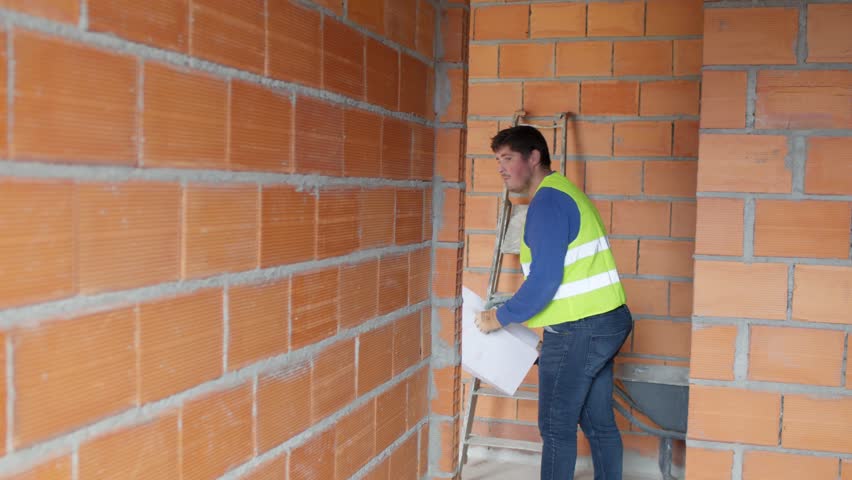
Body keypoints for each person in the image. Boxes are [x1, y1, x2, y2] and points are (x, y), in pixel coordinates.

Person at [474, 125, 633, 480]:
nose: (501, 168)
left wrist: (498, 317)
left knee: (555, 424)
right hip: (603, 321)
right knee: (597, 422)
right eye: (498, 161)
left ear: (534, 157)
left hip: (580, 329)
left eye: (508, 159)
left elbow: (545, 281)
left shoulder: (547, 203)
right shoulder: (562, 192)